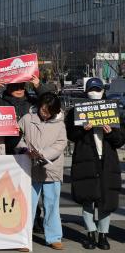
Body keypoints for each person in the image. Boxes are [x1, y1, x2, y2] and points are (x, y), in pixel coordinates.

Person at [66, 78, 124, 250]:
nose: (95, 92)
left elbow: (120, 140)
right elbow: (71, 135)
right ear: (86, 91)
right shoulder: (76, 111)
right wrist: (81, 129)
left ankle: (103, 234)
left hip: (107, 160)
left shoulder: (113, 110)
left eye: (98, 89)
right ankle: (90, 232)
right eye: (92, 89)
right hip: (85, 159)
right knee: (87, 198)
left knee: (106, 200)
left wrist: (110, 133)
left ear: (103, 91)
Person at [16, 92, 67, 250]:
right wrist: (24, 149)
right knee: (27, 204)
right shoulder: (27, 118)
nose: (44, 113)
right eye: (43, 109)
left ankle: (54, 237)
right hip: (29, 167)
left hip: (51, 168)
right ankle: (24, 238)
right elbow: (17, 136)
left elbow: (61, 144)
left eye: (48, 111)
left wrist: (44, 154)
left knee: (51, 204)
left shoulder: (59, 124)